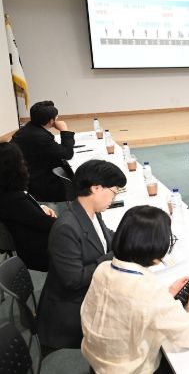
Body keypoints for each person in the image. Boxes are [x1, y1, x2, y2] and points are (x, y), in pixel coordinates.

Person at [81, 206, 189, 374]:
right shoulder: (149, 291)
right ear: (156, 249)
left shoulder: (103, 269)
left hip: (96, 364)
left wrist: (168, 294)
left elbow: (128, 305)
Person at [37, 159, 127, 350]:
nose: (114, 198)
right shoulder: (66, 228)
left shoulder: (91, 212)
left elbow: (107, 238)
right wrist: (112, 257)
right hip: (71, 310)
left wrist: (133, 239)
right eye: (114, 191)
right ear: (96, 188)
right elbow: (74, 280)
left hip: (90, 293)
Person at [0, 142, 56, 271]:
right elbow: (47, 224)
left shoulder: (7, 193)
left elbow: (28, 214)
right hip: (42, 253)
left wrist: (40, 207)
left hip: (32, 244)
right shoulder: (13, 200)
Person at [11, 100, 75, 203]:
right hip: (37, 181)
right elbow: (67, 154)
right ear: (51, 121)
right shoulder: (40, 137)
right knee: (74, 175)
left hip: (25, 173)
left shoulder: (29, 128)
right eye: (56, 117)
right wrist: (64, 131)